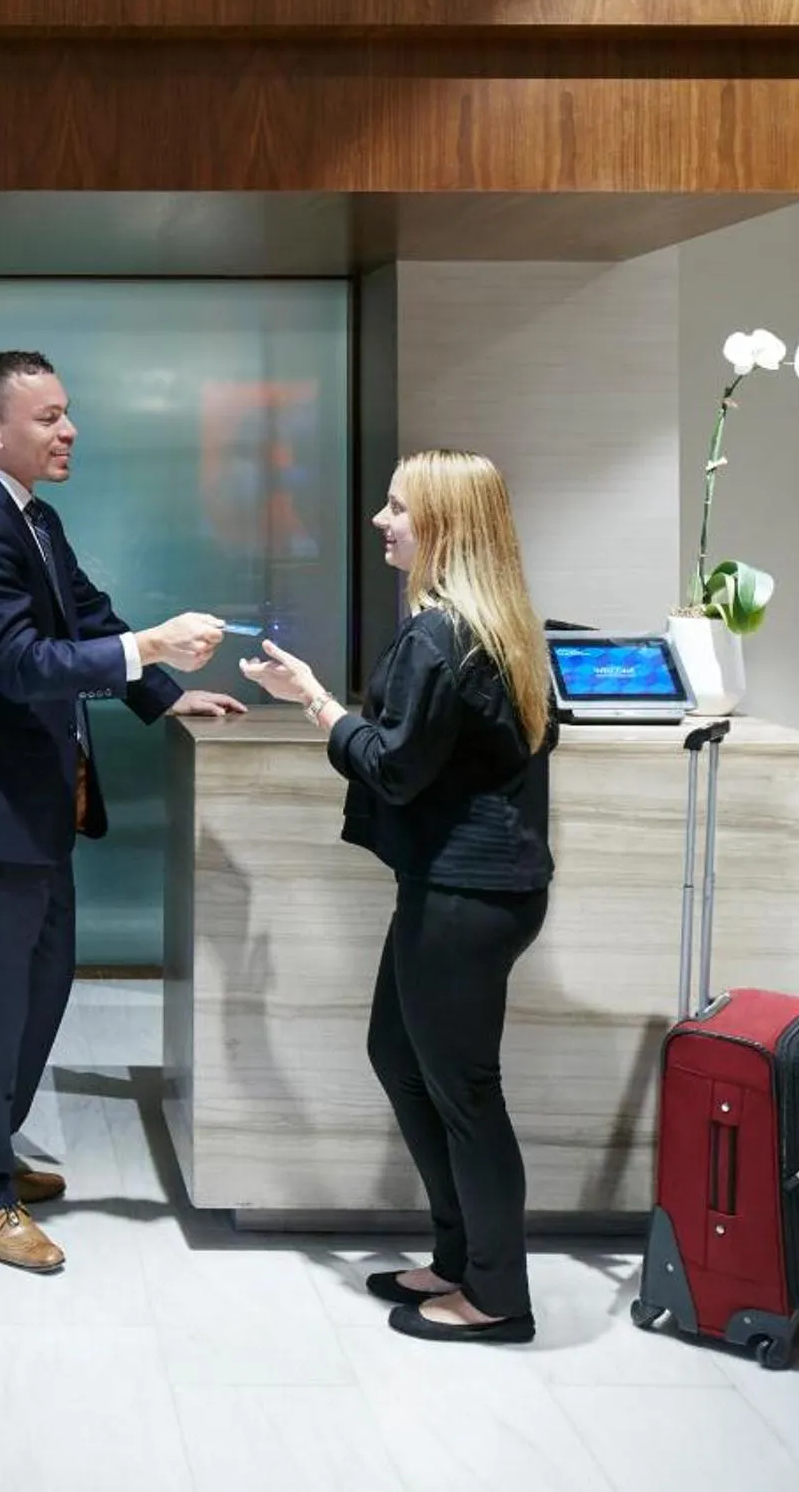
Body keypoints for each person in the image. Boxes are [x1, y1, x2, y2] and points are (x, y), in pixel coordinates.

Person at [0, 349, 243, 1273]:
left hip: (35, 811)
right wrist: (151, 646)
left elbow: (87, 618)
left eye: (66, 413)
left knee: (39, 987)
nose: (70, 431)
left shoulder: (33, 516)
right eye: (49, 417)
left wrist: (162, 692)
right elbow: (20, 664)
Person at [243, 449, 557, 1343]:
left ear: (444, 526)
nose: (381, 521)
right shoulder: (496, 627)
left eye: (397, 507)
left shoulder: (438, 636)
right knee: (398, 1054)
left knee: (463, 1093)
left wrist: (313, 700)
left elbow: (392, 767)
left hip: (464, 894)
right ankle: (457, 1258)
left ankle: (496, 1297)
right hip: (475, 890)